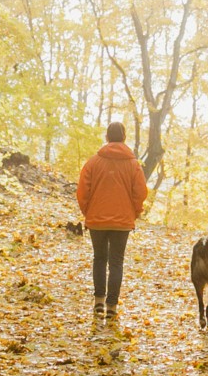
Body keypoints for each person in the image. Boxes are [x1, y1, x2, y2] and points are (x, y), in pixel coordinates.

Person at [76, 122, 148, 317]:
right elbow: (141, 192)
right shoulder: (133, 164)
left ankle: (98, 302)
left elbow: (82, 191)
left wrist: (88, 211)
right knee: (116, 262)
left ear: (107, 137)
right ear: (124, 137)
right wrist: (135, 211)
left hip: (97, 220)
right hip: (122, 221)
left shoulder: (93, 162)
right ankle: (112, 306)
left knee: (99, 258)